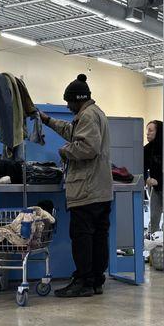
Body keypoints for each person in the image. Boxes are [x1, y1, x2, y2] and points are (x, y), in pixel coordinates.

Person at [39, 74, 113, 298]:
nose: (68, 107)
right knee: (99, 237)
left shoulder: (88, 116)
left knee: (82, 236)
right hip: (100, 189)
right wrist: (47, 120)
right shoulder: (94, 113)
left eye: (69, 102)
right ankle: (95, 280)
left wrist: (64, 151)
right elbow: (74, 132)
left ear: (77, 99)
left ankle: (83, 281)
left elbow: (88, 147)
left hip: (87, 189)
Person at [143, 120, 163, 233]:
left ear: (158, 132)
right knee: (154, 217)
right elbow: (143, 166)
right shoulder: (147, 149)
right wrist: (147, 179)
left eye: (151, 130)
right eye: (147, 131)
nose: (147, 133)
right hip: (155, 189)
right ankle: (154, 243)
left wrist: (158, 181)